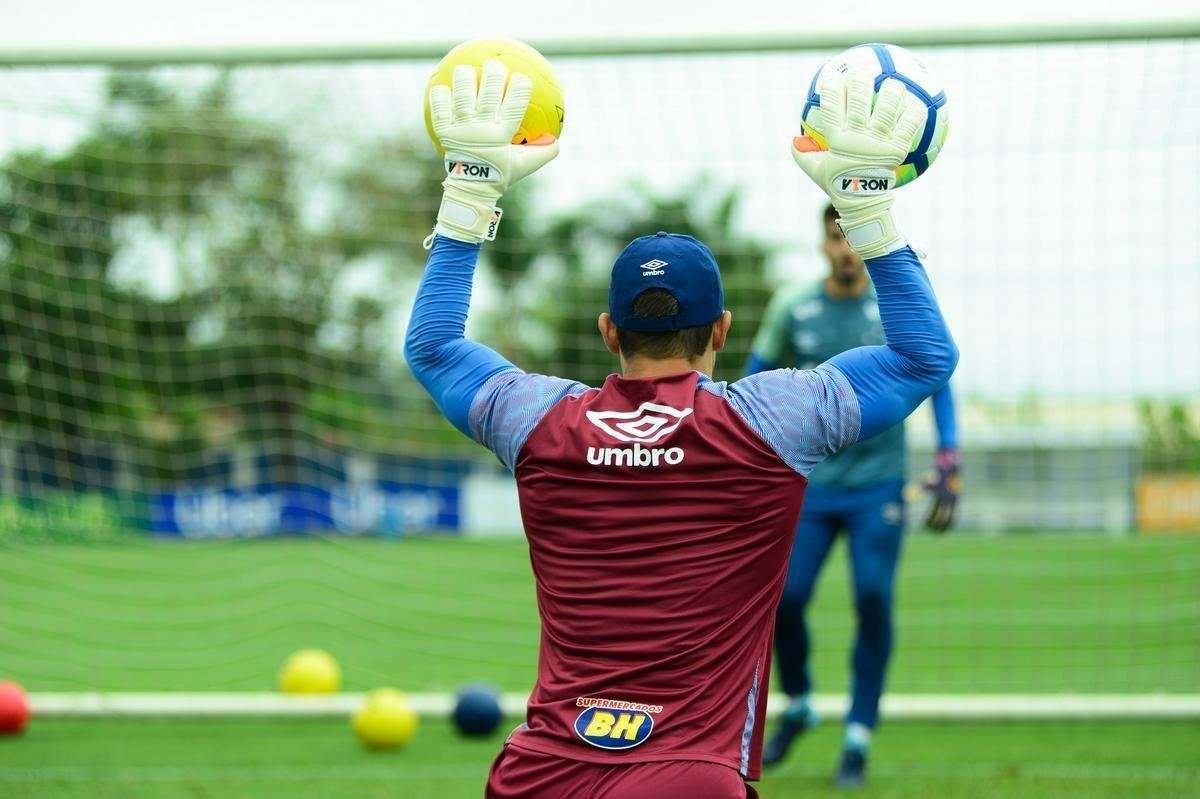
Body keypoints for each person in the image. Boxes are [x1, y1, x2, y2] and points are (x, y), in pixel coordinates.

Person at [406, 60, 957, 799]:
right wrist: (866, 210)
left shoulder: (536, 419)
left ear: (609, 330)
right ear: (722, 330)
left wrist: (469, 192)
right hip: (688, 777)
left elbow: (433, 346)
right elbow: (925, 357)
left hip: (540, 772)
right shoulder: (771, 420)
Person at [747, 204, 961, 788]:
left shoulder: (891, 307)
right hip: (811, 486)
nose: (844, 247)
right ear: (822, 242)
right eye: (834, 235)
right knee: (783, 602)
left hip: (879, 487)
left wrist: (949, 454)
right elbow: (751, 381)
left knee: (872, 596)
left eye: (850, 236)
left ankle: (859, 734)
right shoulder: (793, 306)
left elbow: (937, 375)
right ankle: (799, 702)